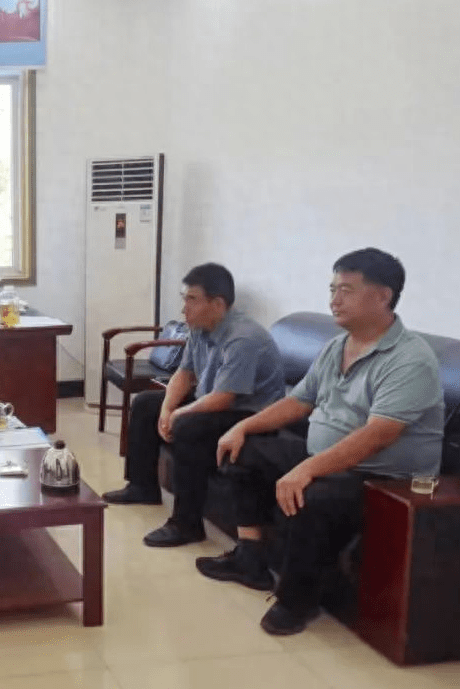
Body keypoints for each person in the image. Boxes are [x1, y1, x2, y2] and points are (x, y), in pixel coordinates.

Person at [196, 248, 444, 635]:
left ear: (383, 296)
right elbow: (299, 401)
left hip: (381, 475)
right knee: (245, 451)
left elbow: (378, 436)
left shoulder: (410, 359)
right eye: (332, 289)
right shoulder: (337, 346)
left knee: (313, 495)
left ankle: (296, 603)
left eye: (346, 290)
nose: (334, 300)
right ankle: (250, 557)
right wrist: (243, 427)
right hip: (326, 454)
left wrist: (306, 469)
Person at [101, 263, 285, 548]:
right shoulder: (200, 328)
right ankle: (142, 486)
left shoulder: (243, 338)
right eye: (183, 298)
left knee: (188, 426)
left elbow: (224, 397)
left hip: (251, 415)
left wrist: (179, 414)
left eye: (192, 299)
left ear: (217, 304)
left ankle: (186, 525)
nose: (183, 308)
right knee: (147, 403)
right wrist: (166, 409)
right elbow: (184, 373)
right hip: (215, 402)